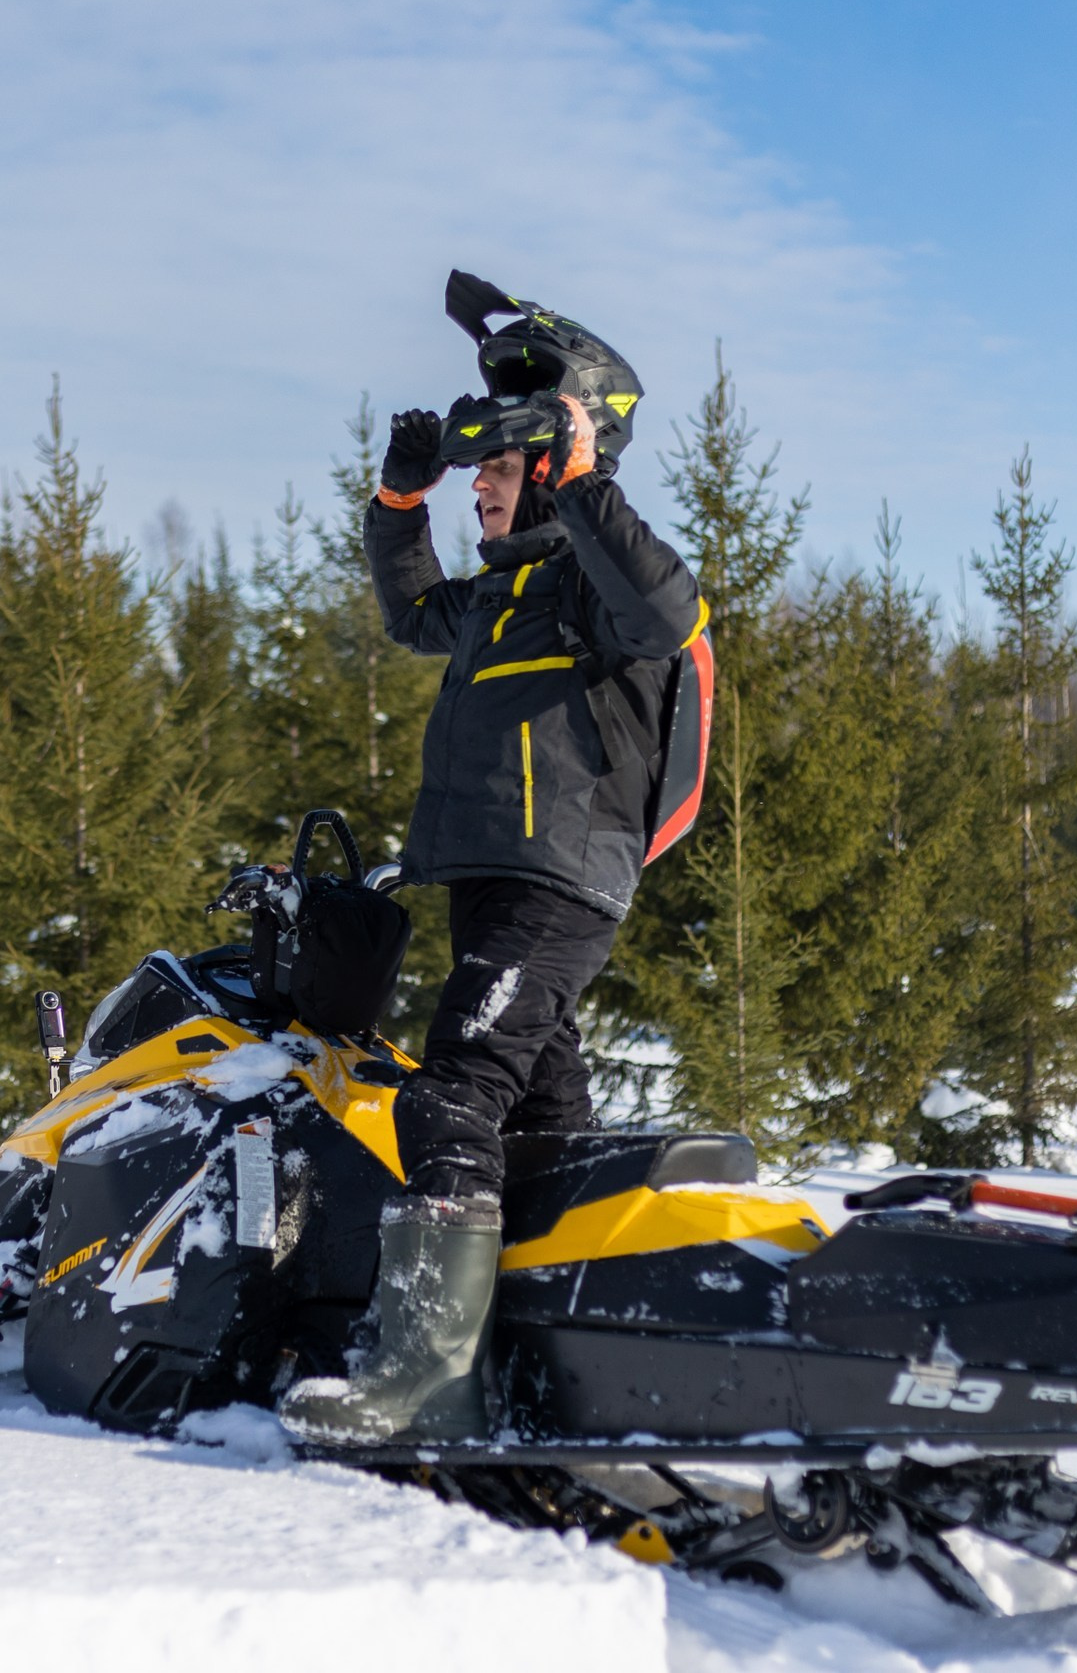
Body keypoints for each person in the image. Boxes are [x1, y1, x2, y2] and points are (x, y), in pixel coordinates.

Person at [280, 388, 703, 1445]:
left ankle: (425, 1382)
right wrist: (398, 502)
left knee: (449, 1097)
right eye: (475, 477)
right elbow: (409, 608)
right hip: (494, 880)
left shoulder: (592, 589)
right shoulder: (496, 597)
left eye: (498, 471)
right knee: (542, 1128)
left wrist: (585, 479)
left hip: (562, 877)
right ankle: (570, 1356)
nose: (479, 489)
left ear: (550, 476)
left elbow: (666, 610)